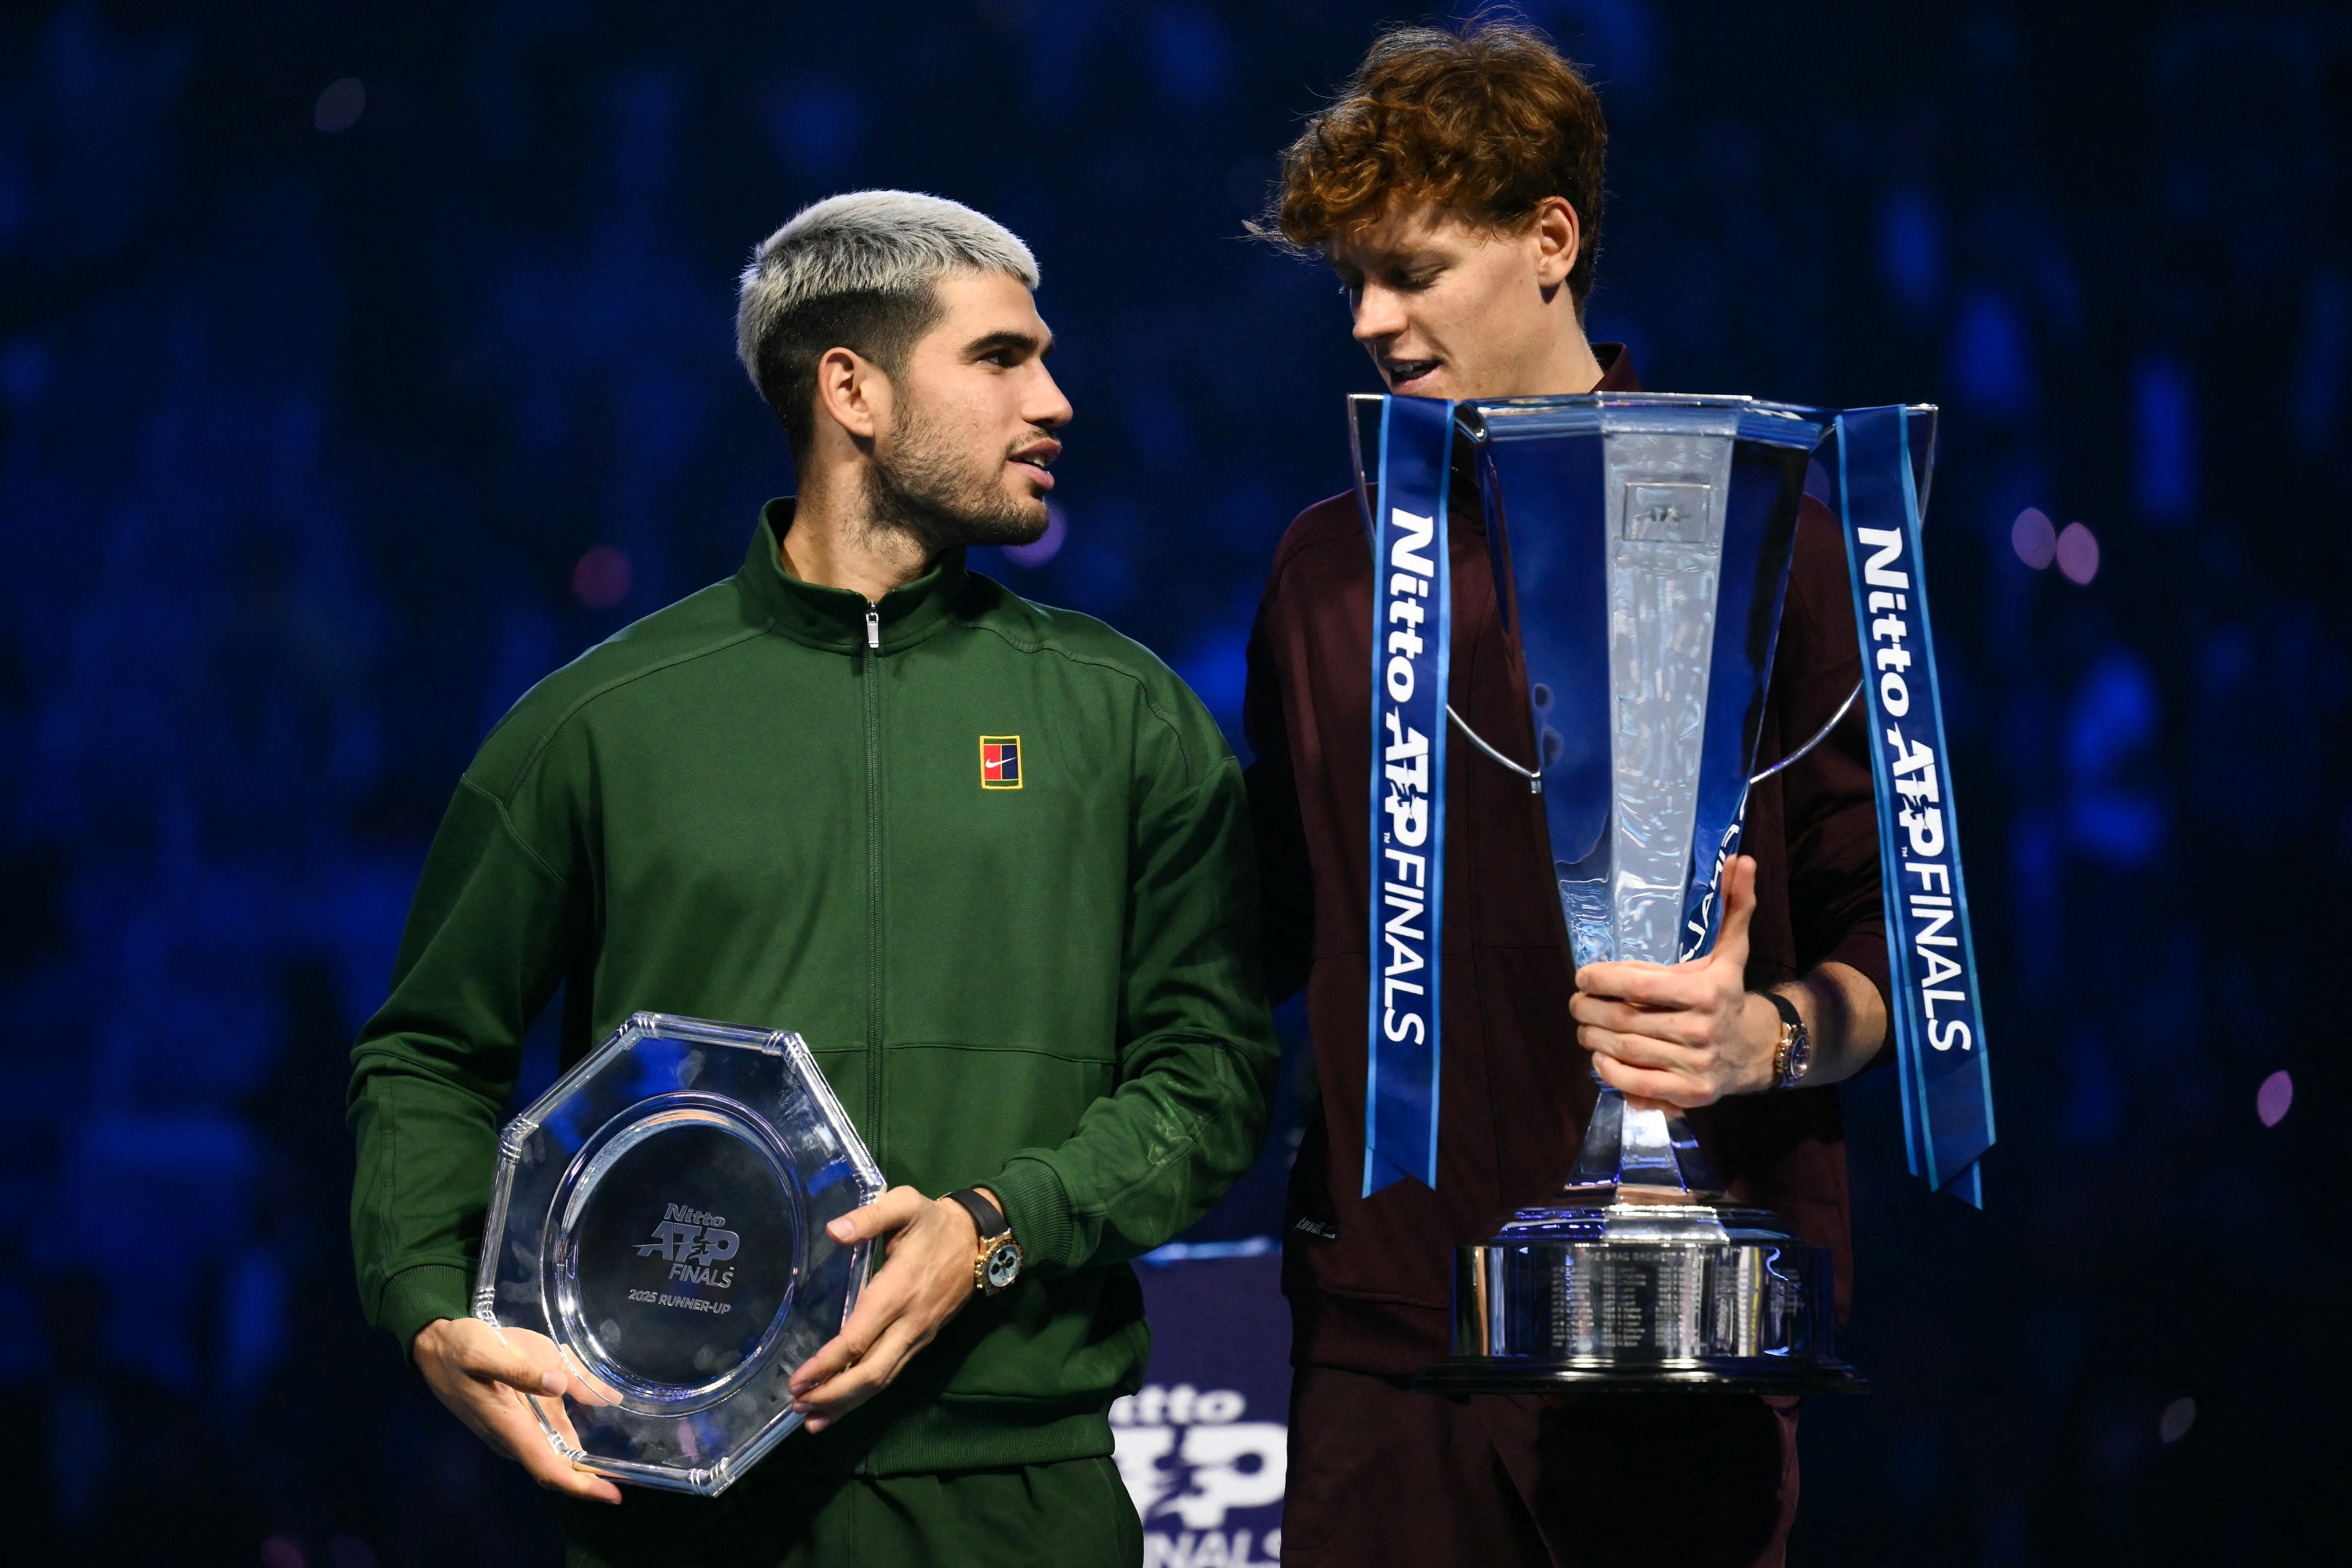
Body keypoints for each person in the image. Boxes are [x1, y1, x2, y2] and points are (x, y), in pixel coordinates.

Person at [348, 190, 1279, 1568]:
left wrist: (994, 1226)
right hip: (680, 1500)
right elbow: (431, 1053)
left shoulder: (1129, 717)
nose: (1059, 398)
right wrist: (430, 1302)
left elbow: (1213, 1076)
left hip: (1020, 1495)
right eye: (1003, 357)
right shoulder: (598, 724)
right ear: (852, 386)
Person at [1243, 24, 1890, 1567]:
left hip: (1678, 1347)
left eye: (1408, 269)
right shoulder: (1326, 569)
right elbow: (1265, 927)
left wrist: (1771, 1035)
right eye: (1351, 281)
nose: (1369, 320)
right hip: (1387, 1348)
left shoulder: (1774, 535)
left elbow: (1899, 943)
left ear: (1552, 241)